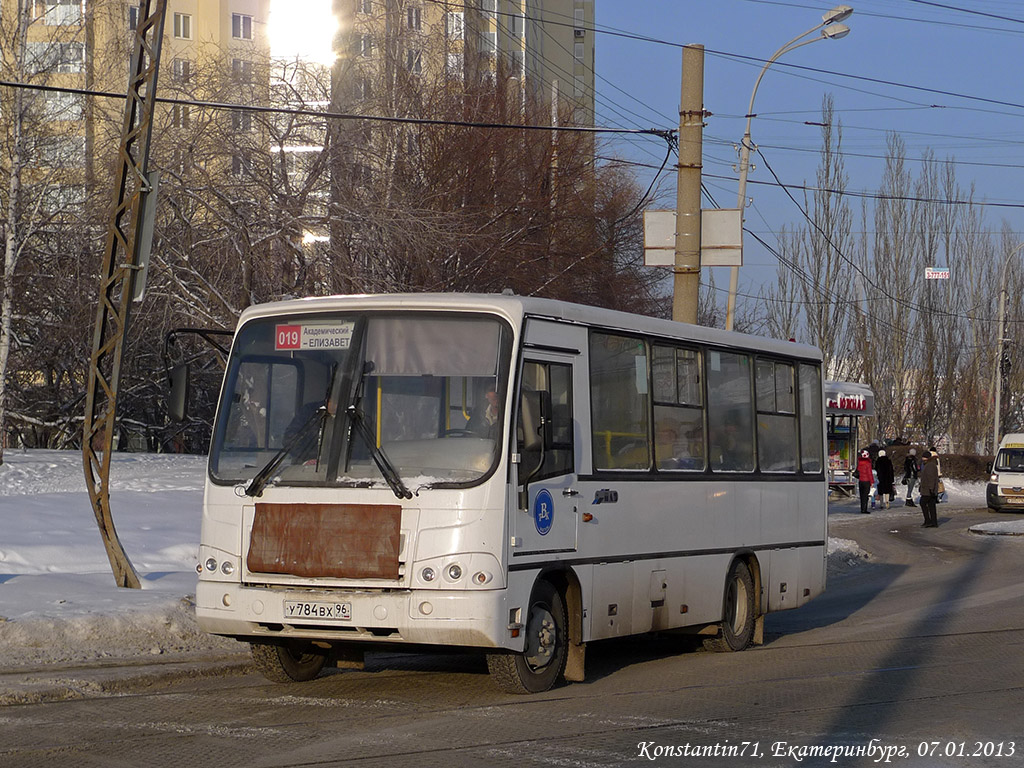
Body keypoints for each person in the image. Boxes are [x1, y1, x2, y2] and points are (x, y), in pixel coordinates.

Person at [918, 450, 940, 527]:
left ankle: (928, 520)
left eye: (923, 457)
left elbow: (931, 478)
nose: (922, 458)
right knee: (931, 505)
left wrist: (931, 488)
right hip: (929, 489)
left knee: (923, 503)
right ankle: (933, 522)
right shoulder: (930, 464)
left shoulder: (930, 465)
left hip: (928, 489)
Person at [856, 449, 874, 514]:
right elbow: (869, 473)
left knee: (862, 495)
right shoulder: (868, 463)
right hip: (866, 481)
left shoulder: (859, 463)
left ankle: (862, 508)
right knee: (866, 496)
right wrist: (872, 482)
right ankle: (864, 509)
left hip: (861, 481)